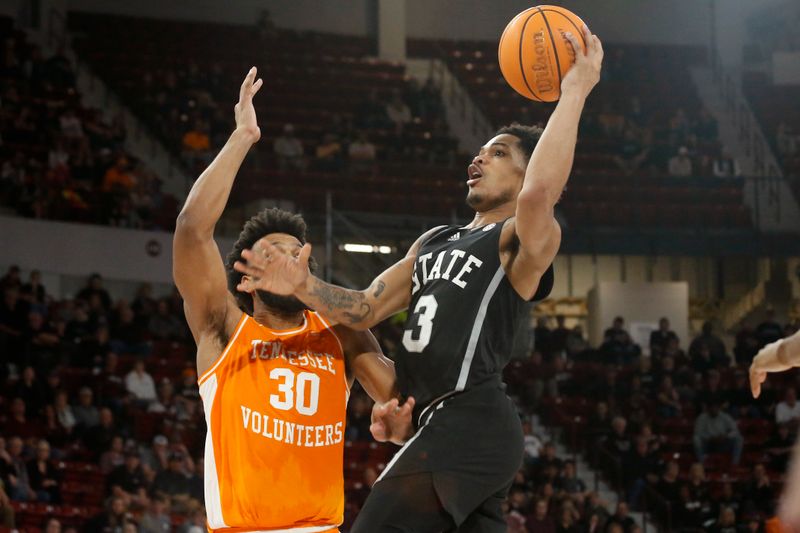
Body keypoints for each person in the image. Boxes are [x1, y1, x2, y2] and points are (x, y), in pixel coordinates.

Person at [234, 27, 602, 533]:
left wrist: (575, 91)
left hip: (470, 418)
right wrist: (301, 285)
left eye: (497, 154)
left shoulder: (516, 242)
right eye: (479, 151)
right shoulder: (433, 242)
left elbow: (540, 196)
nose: (478, 158)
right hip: (439, 425)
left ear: (524, 174)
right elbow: (361, 309)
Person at [173, 67, 411, 532]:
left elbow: (398, 398)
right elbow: (190, 229)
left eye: (294, 254)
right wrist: (242, 137)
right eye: (271, 254)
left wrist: (400, 419)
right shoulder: (222, 327)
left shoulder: (340, 332)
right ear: (245, 281)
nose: (287, 260)